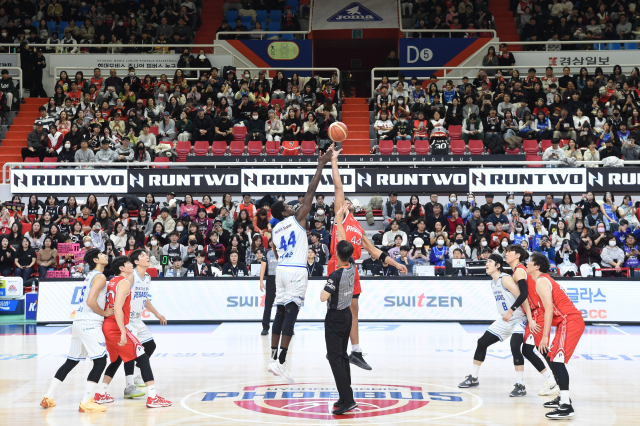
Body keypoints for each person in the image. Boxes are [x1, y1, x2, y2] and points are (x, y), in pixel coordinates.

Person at [328, 145, 407, 370]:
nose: (347, 203)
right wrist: (334, 160)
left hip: (352, 268)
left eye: (349, 202)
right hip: (337, 264)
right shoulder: (340, 216)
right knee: (337, 309)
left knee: (354, 308)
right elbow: (338, 185)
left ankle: (356, 351)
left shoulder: (358, 227)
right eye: (345, 201)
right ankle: (336, 347)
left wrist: (396, 263)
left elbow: (375, 253)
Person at [266, 147, 334, 384]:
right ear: (284, 212)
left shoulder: (274, 229)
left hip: (281, 269)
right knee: (291, 314)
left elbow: (274, 250)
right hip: (296, 270)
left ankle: (273, 357)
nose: (292, 206)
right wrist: (320, 165)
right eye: (287, 206)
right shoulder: (296, 219)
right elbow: (311, 191)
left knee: (280, 311)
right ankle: (281, 361)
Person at [40, 249, 112, 412]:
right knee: (100, 361)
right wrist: (104, 312)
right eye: (101, 255)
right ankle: (86, 401)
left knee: (71, 361)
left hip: (79, 321)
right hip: (90, 322)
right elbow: (91, 301)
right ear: (96, 260)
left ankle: (48, 397)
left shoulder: (90, 275)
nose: (105, 256)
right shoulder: (100, 276)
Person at [96, 255, 171, 408]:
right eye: (142, 255)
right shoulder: (127, 279)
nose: (147, 257)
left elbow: (142, 298)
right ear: (124, 267)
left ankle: (101, 392)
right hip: (123, 323)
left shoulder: (118, 281)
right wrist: (123, 330)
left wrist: (157, 314)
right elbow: (118, 307)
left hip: (120, 323)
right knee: (139, 358)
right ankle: (146, 394)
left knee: (127, 355)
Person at [458, 254, 537, 396]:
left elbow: (523, 297)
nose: (486, 264)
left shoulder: (505, 279)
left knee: (514, 347)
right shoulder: (492, 282)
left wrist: (529, 318)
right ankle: (474, 377)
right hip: (505, 319)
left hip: (518, 318)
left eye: (490, 262)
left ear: (498, 265)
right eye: (486, 262)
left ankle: (521, 385)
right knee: (481, 342)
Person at [527, 253, 585, 419]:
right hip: (565, 322)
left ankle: (566, 406)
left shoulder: (541, 281)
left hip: (570, 320)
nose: (528, 263)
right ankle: (562, 396)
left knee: (556, 361)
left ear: (537, 266)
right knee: (553, 358)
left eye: (530, 261)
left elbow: (549, 310)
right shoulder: (542, 280)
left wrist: (545, 336)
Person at [505, 245, 558, 395]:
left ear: (517, 255)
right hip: (533, 313)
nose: (506, 254)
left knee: (543, 350)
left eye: (509, 252)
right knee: (527, 350)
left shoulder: (520, 270)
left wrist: (516, 313)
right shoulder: (519, 270)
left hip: (538, 313)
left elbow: (524, 296)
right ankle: (551, 381)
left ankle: (558, 381)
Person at [321, 209, 358, 415]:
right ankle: (345, 396)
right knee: (342, 356)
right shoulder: (352, 266)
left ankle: (348, 400)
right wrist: (340, 220)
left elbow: (322, 297)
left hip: (335, 318)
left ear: (337, 254)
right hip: (347, 317)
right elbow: (344, 241)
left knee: (334, 358)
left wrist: (338, 219)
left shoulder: (335, 275)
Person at [260, 240, 278, 335]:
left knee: (284, 304)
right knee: (268, 304)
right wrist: (261, 281)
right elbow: (263, 267)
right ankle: (265, 327)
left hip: (282, 279)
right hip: (271, 279)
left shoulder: (284, 251)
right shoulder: (267, 252)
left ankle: (286, 327)